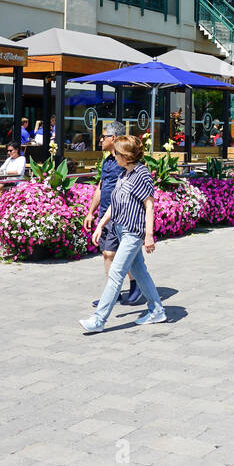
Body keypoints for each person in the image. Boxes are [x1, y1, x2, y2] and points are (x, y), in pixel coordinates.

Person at [81, 135, 168, 332]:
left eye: (118, 153)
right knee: (140, 273)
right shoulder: (124, 174)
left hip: (133, 233)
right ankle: (157, 310)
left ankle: (98, 320)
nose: (115, 156)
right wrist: (100, 225)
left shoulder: (141, 175)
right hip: (121, 230)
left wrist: (149, 235)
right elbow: (114, 203)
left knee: (116, 273)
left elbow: (149, 206)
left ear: (127, 156)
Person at [81, 122, 142, 307]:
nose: (100, 139)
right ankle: (113, 293)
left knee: (119, 253)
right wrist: (91, 212)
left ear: (113, 138)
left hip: (121, 215)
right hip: (105, 214)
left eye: (104, 136)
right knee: (108, 254)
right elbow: (101, 187)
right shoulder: (108, 161)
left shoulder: (125, 162)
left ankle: (134, 285)